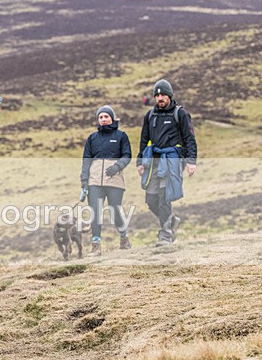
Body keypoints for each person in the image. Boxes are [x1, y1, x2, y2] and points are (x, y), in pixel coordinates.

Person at [136, 79, 197, 247]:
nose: (160, 98)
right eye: (157, 95)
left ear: (169, 96)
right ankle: (171, 221)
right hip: (154, 162)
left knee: (164, 198)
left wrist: (191, 161)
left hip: (171, 161)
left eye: (163, 94)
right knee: (151, 200)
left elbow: (189, 139)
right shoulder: (150, 116)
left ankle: (165, 234)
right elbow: (144, 140)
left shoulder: (180, 114)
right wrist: (140, 162)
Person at [80, 105, 132, 256]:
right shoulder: (92, 138)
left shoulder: (121, 136)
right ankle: (95, 246)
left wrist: (118, 166)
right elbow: (86, 160)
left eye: (106, 116)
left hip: (114, 180)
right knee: (96, 212)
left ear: (112, 118)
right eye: (100, 117)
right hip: (94, 180)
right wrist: (84, 181)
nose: (103, 119)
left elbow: (127, 155)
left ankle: (124, 239)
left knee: (115, 211)